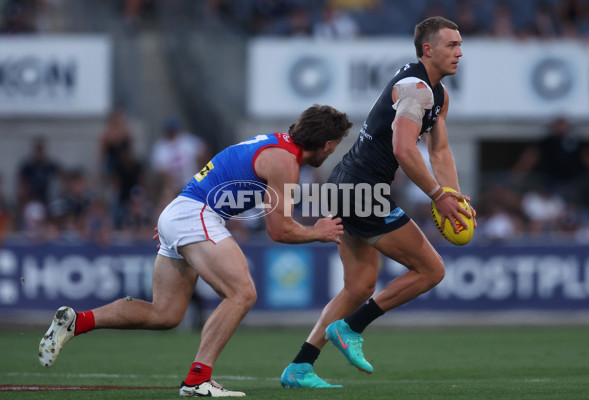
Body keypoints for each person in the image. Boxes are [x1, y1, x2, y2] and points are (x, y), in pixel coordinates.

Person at [38, 105, 353, 398]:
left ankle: (77, 322)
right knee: (242, 293)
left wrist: (175, 221)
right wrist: (317, 231)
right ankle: (198, 379)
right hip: (194, 215)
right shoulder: (286, 162)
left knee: (166, 314)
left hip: (182, 210)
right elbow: (279, 230)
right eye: (336, 144)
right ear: (326, 144)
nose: (333, 150)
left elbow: (220, 171)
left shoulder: (275, 144)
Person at [280, 16, 476, 388]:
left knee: (359, 286)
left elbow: (441, 149)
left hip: (345, 185)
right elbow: (404, 149)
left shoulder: (438, 94)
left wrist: (453, 196)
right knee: (431, 271)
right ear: (427, 50)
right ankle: (352, 328)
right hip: (363, 190)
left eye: (460, 44)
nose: (459, 52)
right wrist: (438, 196)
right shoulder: (416, 90)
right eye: (452, 45)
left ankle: (300, 367)